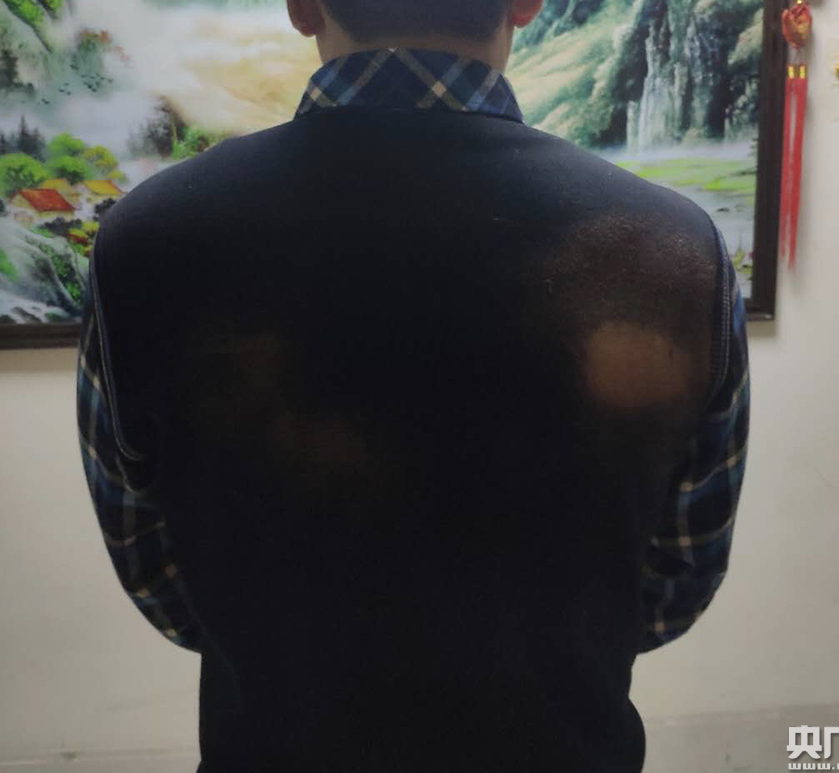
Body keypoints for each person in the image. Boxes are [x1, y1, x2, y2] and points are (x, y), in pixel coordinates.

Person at [75, 0, 750, 770]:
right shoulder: (678, 253)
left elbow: (155, 569)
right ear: (527, 4)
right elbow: (677, 576)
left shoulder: (145, 243)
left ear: (301, 6)